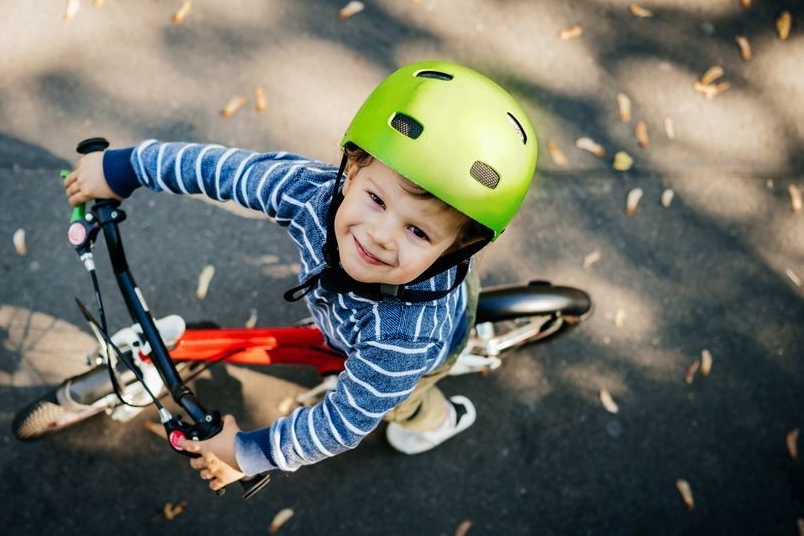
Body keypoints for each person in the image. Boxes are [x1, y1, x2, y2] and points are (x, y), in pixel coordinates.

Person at [63, 61, 537, 491]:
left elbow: (341, 423)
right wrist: (125, 168)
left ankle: (436, 420)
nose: (380, 236)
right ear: (351, 170)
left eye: (417, 230)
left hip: (418, 349)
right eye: (376, 200)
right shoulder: (309, 192)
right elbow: (223, 171)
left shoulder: (405, 337)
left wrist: (248, 455)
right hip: (343, 310)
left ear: (457, 249)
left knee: (399, 403)